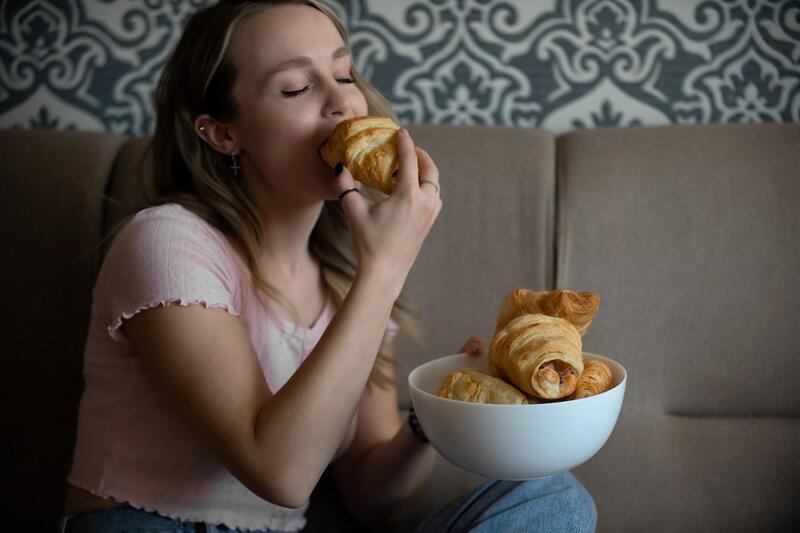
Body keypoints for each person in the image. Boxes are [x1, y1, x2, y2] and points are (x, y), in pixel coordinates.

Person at [60, 1, 597, 532]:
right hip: (141, 526)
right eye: (297, 87)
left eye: (344, 73)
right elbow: (281, 474)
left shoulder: (347, 282)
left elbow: (368, 493)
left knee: (556, 500)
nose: (344, 101)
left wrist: (435, 414)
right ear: (223, 133)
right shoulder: (167, 243)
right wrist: (384, 270)